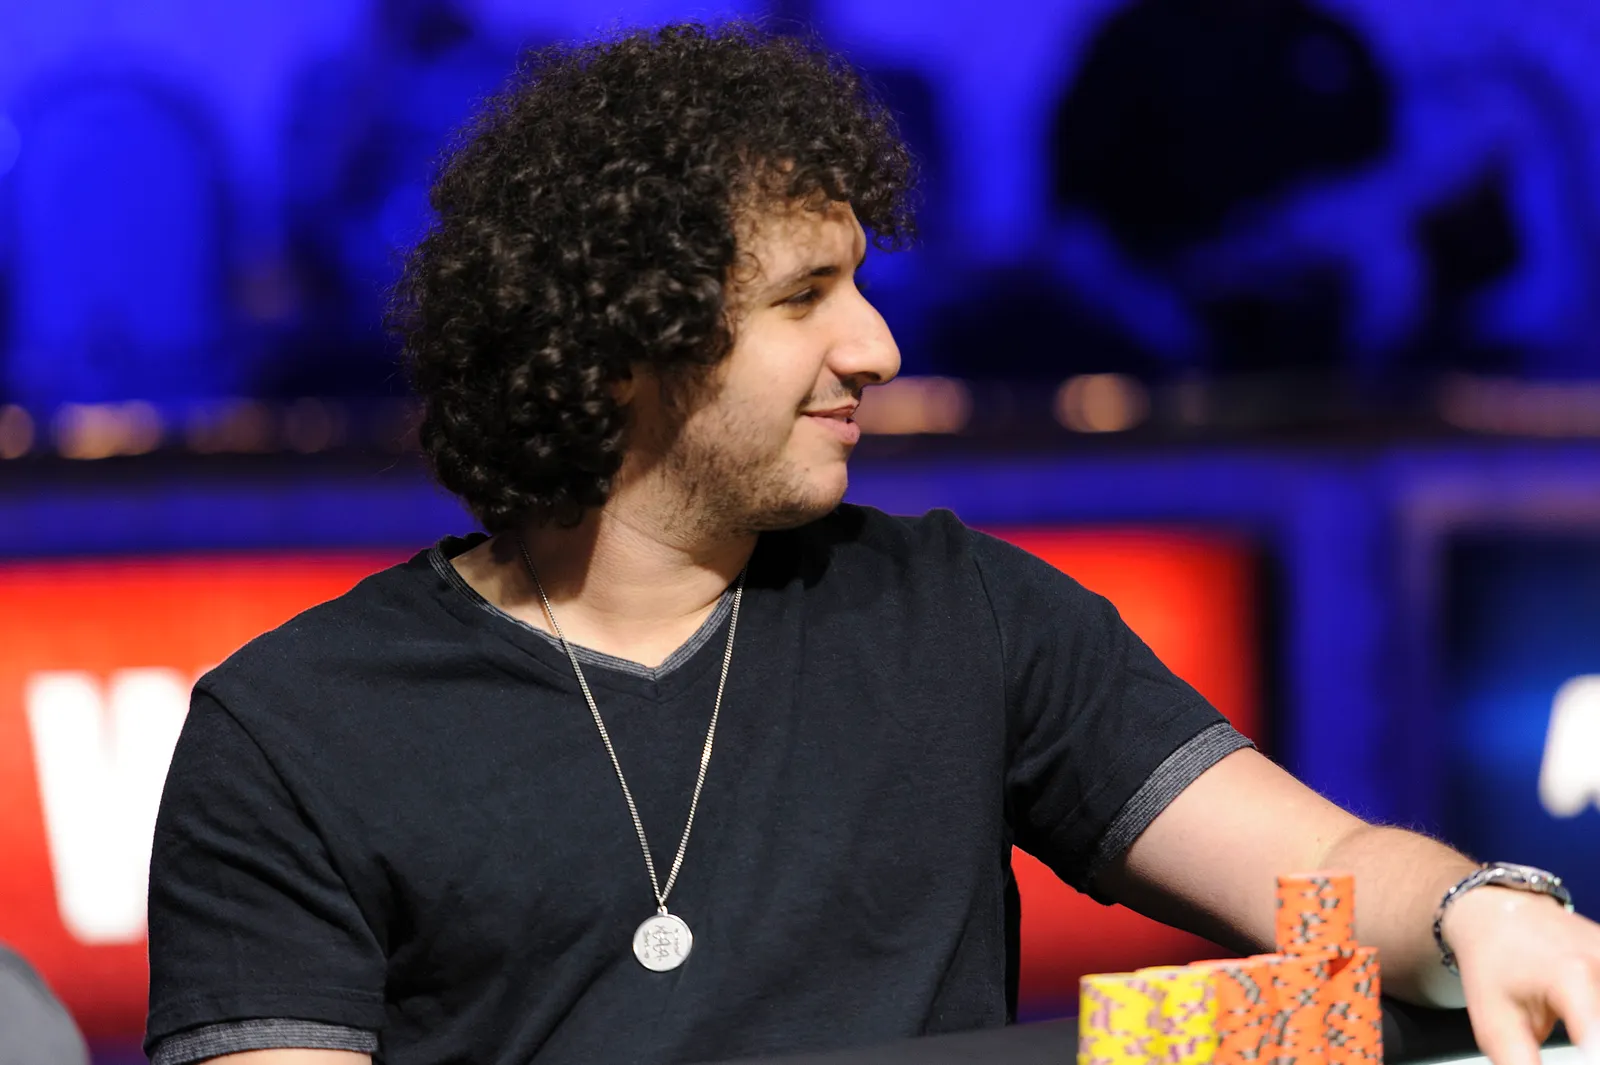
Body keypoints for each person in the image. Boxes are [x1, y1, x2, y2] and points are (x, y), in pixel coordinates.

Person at [143, 21, 1600, 1065]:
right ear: (617, 347)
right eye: (805, 298)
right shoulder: (295, 732)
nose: (880, 346)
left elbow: (1327, 870)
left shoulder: (969, 613)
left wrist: (1481, 911)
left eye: (864, 282)